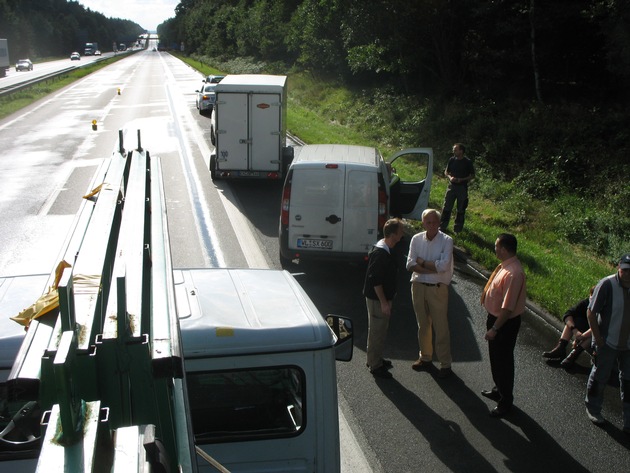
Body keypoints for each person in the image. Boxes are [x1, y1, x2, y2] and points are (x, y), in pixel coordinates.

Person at [480, 233, 527, 418]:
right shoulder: (505, 266)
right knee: (495, 358)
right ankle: (498, 389)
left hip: (504, 324)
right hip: (496, 319)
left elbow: (508, 308)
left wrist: (494, 329)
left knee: (504, 362)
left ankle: (505, 401)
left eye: (497, 246)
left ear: (505, 249)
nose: (495, 249)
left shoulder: (514, 273)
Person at [584, 253, 630, 433]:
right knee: (600, 377)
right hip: (607, 343)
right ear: (619, 268)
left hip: (628, 345)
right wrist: (598, 339)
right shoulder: (607, 284)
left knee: (628, 382)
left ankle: (628, 421)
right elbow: (591, 312)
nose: (627, 274)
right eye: (625, 270)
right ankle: (593, 408)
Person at [406, 209, 454, 378]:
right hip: (418, 286)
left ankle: (445, 364)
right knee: (423, 325)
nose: (432, 225)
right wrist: (431, 266)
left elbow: (444, 267)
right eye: (428, 222)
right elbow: (409, 264)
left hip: (437, 289)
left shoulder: (447, 241)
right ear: (423, 223)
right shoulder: (416, 239)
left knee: (441, 327)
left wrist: (422, 263)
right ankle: (425, 357)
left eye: (435, 222)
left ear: (439, 223)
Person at [363, 218, 405, 379]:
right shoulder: (381, 253)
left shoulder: (386, 247)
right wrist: (384, 303)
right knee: (377, 331)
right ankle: (374, 364)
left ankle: (376, 359)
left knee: (379, 329)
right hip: (377, 300)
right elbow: (375, 280)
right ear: (393, 234)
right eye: (401, 231)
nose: (402, 234)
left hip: (382, 299)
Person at [542, 286, 595, 368]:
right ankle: (561, 347)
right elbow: (568, 314)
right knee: (572, 320)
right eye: (591, 296)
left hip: (596, 336)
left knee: (594, 333)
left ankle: (574, 355)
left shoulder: (604, 310)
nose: (592, 300)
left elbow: (598, 327)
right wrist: (575, 331)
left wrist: (582, 336)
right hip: (584, 331)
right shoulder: (586, 303)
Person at [440, 143, 475, 234]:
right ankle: (442, 226)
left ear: (461, 151)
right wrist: (450, 177)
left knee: (461, 209)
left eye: (455, 149)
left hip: (462, 188)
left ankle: (457, 229)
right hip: (451, 186)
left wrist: (461, 179)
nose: (454, 151)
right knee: (447, 207)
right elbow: (446, 172)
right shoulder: (452, 160)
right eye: (454, 149)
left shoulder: (467, 162)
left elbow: (472, 176)